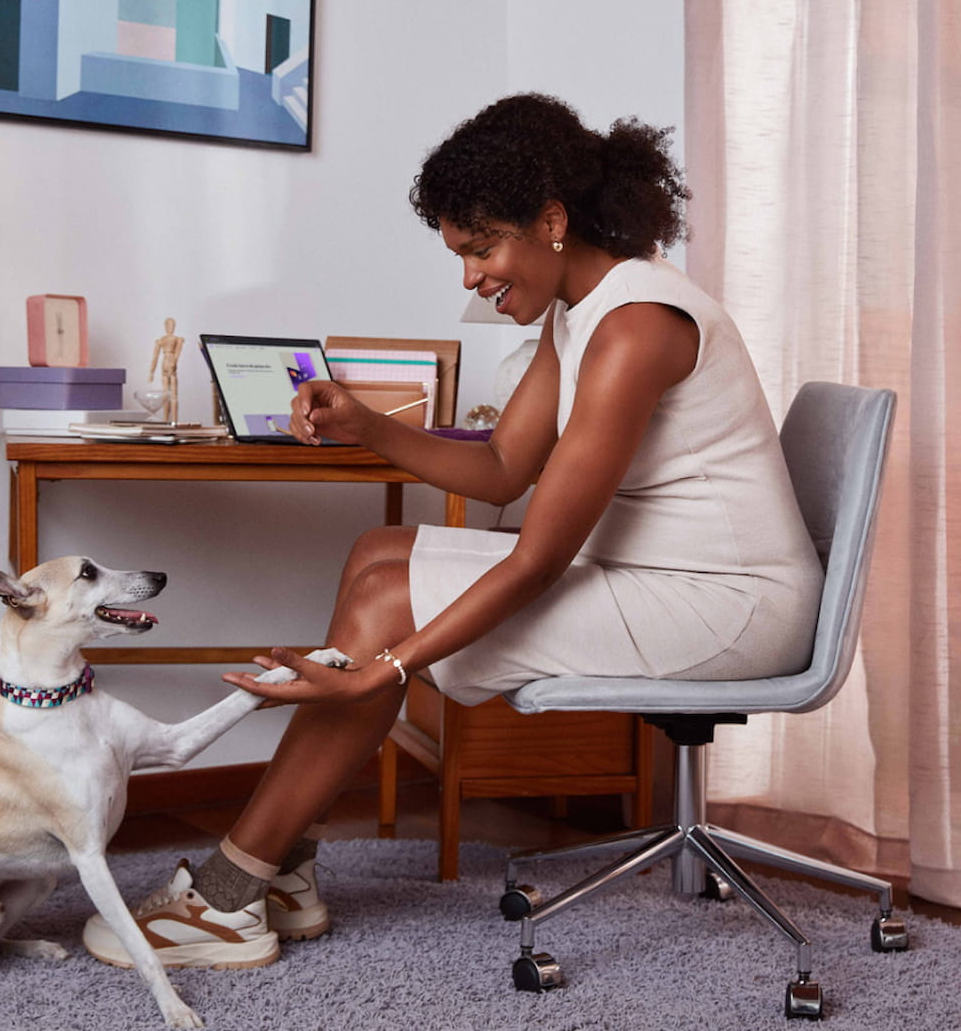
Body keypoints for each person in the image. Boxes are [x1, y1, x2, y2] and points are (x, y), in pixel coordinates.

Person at [82, 92, 824, 971]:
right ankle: (282, 866)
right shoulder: (581, 308)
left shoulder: (635, 326)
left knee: (390, 600)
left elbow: (542, 554)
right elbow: (508, 464)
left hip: (728, 607)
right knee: (377, 555)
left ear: (550, 221)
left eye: (481, 248)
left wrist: (385, 667)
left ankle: (234, 891)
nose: (470, 276)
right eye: (461, 253)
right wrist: (368, 423)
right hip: (660, 574)